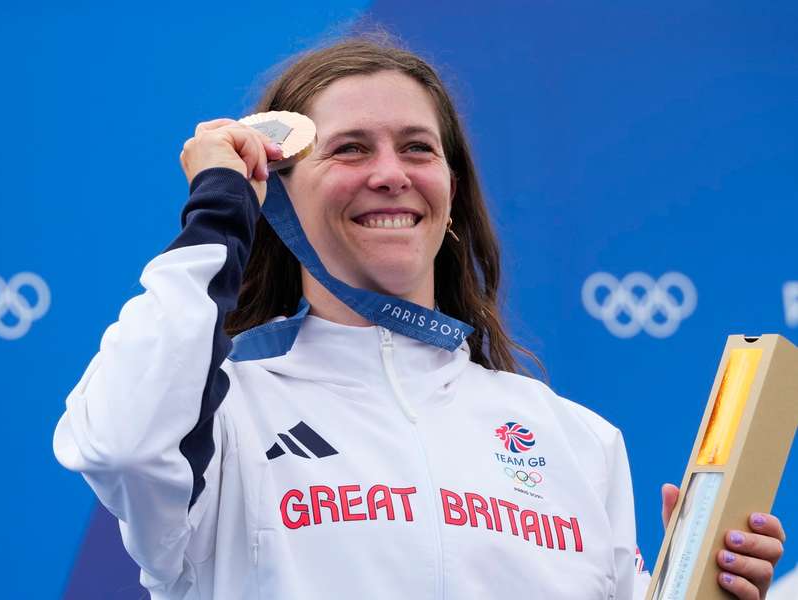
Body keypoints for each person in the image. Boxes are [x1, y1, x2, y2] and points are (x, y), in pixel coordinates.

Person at [53, 36, 785, 599]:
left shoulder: (576, 440)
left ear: (451, 190)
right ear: (276, 195)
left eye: (416, 148)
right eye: (349, 150)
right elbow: (117, 445)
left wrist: (699, 583)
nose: (389, 173)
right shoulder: (224, 415)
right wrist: (218, 209)